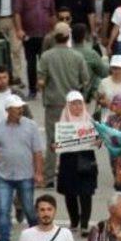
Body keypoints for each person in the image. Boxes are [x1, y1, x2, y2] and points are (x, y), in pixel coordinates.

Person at [0, 95, 43, 241]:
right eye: (16, 108)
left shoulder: (31, 126)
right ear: (7, 110)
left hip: (25, 175)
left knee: (29, 209)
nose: (20, 110)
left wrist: (38, 172)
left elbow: (37, 152)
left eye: (21, 107)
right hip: (4, 176)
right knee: (3, 210)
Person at [37, 22, 90, 187]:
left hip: (53, 103)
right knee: (74, 139)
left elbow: (41, 81)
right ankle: (74, 173)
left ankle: (49, 177)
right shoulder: (77, 56)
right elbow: (85, 79)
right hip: (73, 104)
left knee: (53, 140)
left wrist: (45, 86)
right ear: (69, 36)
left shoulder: (46, 57)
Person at [56, 91, 98, 237]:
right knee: (70, 193)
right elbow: (55, 143)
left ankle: (85, 224)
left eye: (79, 103)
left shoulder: (89, 120)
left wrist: (98, 141)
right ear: (68, 105)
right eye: (73, 104)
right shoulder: (64, 122)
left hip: (86, 158)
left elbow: (99, 139)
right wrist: (56, 145)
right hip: (68, 161)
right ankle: (74, 220)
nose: (77, 107)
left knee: (86, 192)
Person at [14, 0, 56, 98]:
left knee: (46, 65)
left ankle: (47, 90)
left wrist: (55, 31)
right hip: (29, 36)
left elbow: (52, 14)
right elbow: (17, 13)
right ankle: (32, 90)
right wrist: (19, 30)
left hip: (46, 36)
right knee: (31, 64)